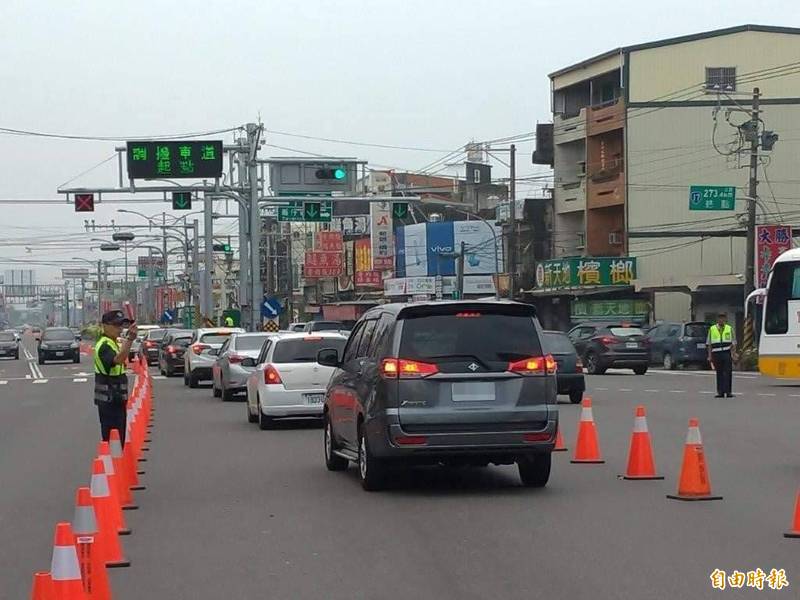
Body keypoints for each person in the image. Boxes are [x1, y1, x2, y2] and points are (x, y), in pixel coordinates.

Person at [94, 310, 137, 445]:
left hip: (117, 400)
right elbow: (117, 360)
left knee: (119, 440)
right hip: (109, 401)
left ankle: (117, 464)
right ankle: (112, 465)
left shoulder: (113, 342)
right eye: (116, 326)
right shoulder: (104, 345)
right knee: (113, 440)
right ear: (105, 326)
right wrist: (130, 339)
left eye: (121, 325)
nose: (120, 329)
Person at [707, 312, 736, 398]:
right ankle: (720, 392)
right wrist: (709, 356)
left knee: (728, 372)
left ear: (725, 319)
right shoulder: (712, 329)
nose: (721, 320)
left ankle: (728, 392)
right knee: (719, 373)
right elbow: (709, 344)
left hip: (726, 353)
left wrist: (733, 354)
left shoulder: (729, 328)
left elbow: (734, 343)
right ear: (717, 319)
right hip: (716, 353)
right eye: (720, 318)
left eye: (723, 318)